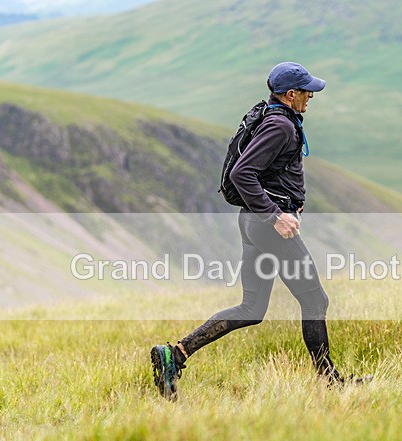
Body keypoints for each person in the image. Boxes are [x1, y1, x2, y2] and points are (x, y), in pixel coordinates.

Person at [151, 61, 363, 401]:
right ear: (290, 94)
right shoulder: (280, 125)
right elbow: (242, 173)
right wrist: (276, 214)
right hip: (267, 228)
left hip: (253, 223)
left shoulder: (273, 115)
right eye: (306, 90)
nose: (311, 95)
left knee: (251, 309)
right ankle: (330, 384)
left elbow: (266, 172)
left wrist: (289, 202)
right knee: (315, 299)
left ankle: (173, 355)